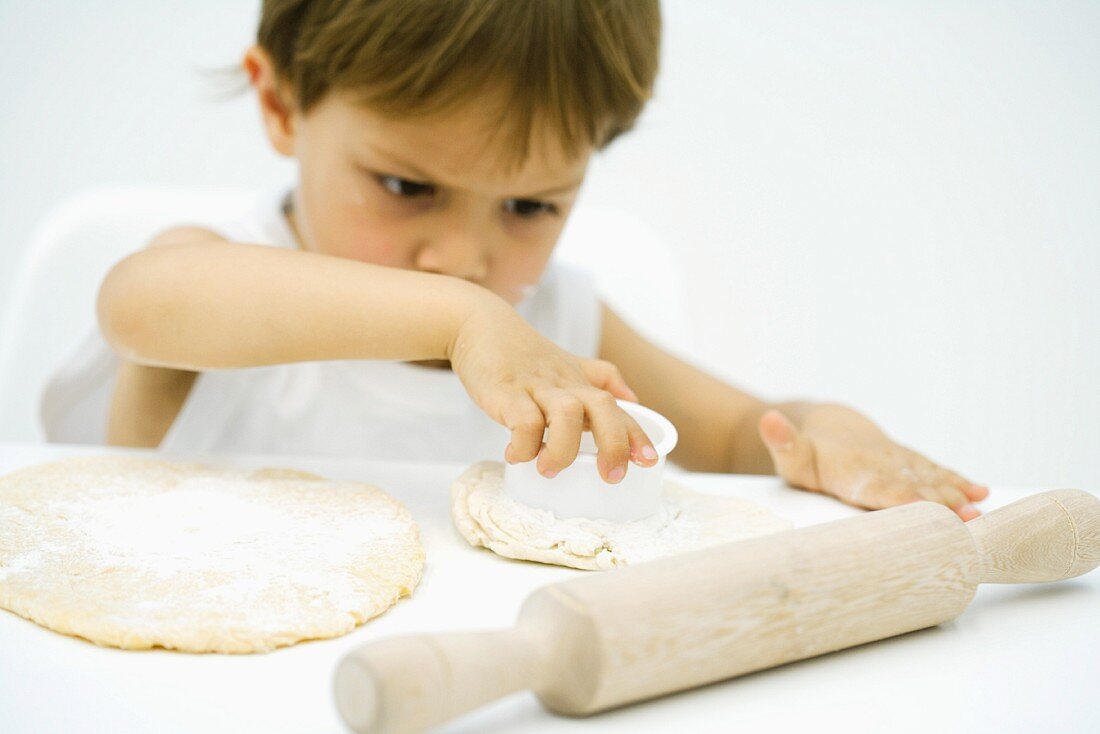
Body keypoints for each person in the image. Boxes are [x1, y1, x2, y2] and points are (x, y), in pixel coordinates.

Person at [45, 0, 988, 519]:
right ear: (283, 104)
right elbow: (142, 303)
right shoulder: (225, 273)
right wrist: (463, 322)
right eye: (408, 187)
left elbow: (739, 433)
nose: (463, 256)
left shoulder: (557, 323)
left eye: (530, 205)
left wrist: (824, 428)